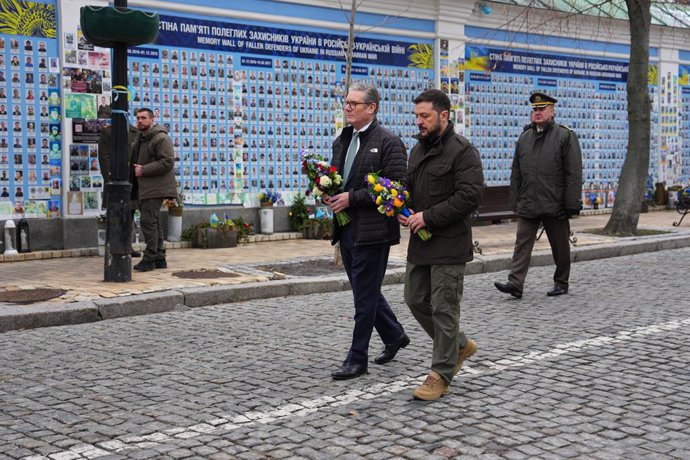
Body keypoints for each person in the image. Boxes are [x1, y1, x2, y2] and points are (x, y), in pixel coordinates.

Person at [397, 89, 484, 401]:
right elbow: (410, 188)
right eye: (417, 115)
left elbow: (469, 196)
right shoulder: (417, 151)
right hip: (421, 243)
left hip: (448, 242)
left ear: (444, 116)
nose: (419, 121)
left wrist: (428, 217)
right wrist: (398, 203)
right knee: (414, 298)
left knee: (445, 309)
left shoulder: (463, 152)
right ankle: (459, 344)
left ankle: (441, 374)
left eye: (425, 116)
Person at [325, 82, 409, 380]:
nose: (347, 107)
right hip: (346, 228)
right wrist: (329, 192)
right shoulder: (342, 140)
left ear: (371, 108)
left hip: (373, 232)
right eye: (346, 102)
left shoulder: (388, 142)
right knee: (366, 290)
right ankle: (394, 334)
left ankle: (357, 358)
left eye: (354, 104)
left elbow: (398, 188)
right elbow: (339, 180)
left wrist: (353, 197)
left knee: (363, 297)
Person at [494, 92, 583, 298]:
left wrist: (571, 204)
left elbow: (573, 172)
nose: (538, 113)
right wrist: (515, 200)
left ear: (552, 111)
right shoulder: (525, 137)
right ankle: (515, 283)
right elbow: (516, 172)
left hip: (555, 202)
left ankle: (561, 282)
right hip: (529, 201)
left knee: (560, 247)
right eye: (535, 109)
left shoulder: (565, 136)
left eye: (542, 109)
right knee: (522, 244)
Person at [130, 108, 177, 271]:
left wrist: (143, 170)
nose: (140, 121)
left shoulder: (160, 137)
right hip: (147, 187)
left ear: (152, 119)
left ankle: (150, 258)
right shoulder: (142, 138)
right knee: (153, 221)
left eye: (143, 118)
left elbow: (168, 162)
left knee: (147, 221)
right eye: (138, 118)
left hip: (156, 186)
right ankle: (159, 257)